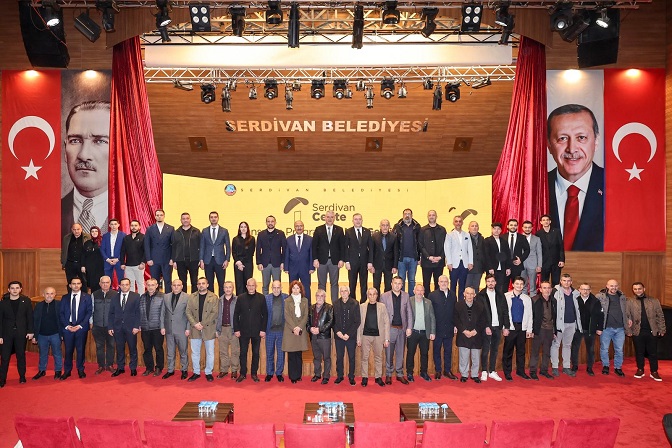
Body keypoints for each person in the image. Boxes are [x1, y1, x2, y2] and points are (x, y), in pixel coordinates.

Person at [547, 103, 604, 251]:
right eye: (562, 138)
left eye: (581, 137)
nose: (572, 149)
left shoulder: (617, 188)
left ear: (596, 141)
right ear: (549, 145)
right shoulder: (532, 190)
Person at [61, 100, 111, 238]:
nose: (83, 155)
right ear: (65, 150)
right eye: (75, 141)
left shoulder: (137, 211)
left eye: (100, 141)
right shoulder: (49, 213)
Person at [626, 282, 666, 381]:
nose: (637, 291)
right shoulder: (629, 301)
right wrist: (628, 330)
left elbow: (660, 315)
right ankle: (640, 369)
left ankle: (654, 371)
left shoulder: (654, 301)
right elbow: (627, 316)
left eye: (639, 288)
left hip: (652, 331)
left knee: (653, 353)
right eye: (635, 289)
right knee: (639, 352)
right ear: (633, 290)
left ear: (644, 289)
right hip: (637, 331)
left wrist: (662, 329)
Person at [233, 278, 268, 383]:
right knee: (243, 353)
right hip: (243, 331)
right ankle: (242, 373)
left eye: (253, 285)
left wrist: (263, 329)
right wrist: (236, 329)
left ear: (256, 286)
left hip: (257, 331)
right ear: (246, 286)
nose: (251, 287)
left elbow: (265, 315)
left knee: (256, 353)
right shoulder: (240, 298)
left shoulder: (261, 298)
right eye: (249, 285)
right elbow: (236, 314)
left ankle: (254, 373)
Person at [0, 281, 34, 387]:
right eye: (12, 288)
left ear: (20, 289)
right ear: (8, 290)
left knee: (21, 355)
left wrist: (30, 331)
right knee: (4, 357)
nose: (15, 290)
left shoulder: (26, 301)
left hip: (21, 333)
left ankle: (22, 376)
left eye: (17, 288)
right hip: (6, 334)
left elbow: (30, 317)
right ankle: (2, 379)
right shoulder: (3, 303)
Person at [380, 276, 412, 385]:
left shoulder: (406, 296)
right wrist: (384, 331)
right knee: (389, 353)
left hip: (402, 329)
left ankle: (399, 374)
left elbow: (409, 313)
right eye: (395, 283)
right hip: (390, 330)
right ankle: (388, 374)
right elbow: (382, 315)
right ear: (391, 284)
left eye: (399, 283)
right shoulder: (384, 296)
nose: (397, 285)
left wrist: (409, 327)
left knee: (400, 353)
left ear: (402, 285)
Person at [477, 274, 509, 382]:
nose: (490, 283)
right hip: (487, 327)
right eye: (488, 281)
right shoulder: (481, 295)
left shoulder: (500, 295)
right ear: (486, 282)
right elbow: (480, 313)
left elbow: (505, 311)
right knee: (485, 350)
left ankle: (492, 371)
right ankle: (484, 371)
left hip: (498, 326)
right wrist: (486, 326)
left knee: (495, 350)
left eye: (492, 281)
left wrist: (506, 326)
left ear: (495, 282)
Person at [186, 277, 219, 382]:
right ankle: (196, 372)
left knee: (210, 352)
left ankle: (208, 372)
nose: (201, 285)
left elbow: (214, 313)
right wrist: (195, 324)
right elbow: (188, 312)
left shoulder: (214, 297)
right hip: (195, 328)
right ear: (197, 285)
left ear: (207, 285)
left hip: (208, 328)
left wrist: (202, 323)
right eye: (199, 283)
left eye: (203, 283)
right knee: (195, 352)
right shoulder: (192, 297)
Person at [59, 277, 92, 380]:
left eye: (78, 283)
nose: (76, 285)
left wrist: (80, 325)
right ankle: (67, 371)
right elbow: (61, 313)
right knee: (68, 351)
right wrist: (67, 326)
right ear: (70, 285)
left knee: (80, 350)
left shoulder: (87, 297)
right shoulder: (65, 297)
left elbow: (89, 312)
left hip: (81, 328)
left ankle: (80, 369)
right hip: (68, 328)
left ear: (81, 285)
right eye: (74, 284)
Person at [550, 273, 582, 377]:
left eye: (568, 281)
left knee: (567, 345)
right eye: (564, 280)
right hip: (559, 324)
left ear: (571, 282)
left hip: (572, 323)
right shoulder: (555, 292)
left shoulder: (576, 293)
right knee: (555, 345)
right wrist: (553, 326)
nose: (566, 283)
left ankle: (566, 367)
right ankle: (555, 367)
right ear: (561, 281)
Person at [357, 288, 390, 387]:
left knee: (378, 357)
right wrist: (358, 338)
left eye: (374, 294)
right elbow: (359, 323)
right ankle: (364, 377)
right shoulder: (362, 306)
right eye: (370, 294)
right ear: (367, 296)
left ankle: (378, 377)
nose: (372, 296)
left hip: (378, 336)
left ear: (377, 295)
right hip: (365, 335)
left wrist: (386, 338)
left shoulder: (382, 306)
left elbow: (386, 322)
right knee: (364, 357)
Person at [502, 277, 533, 381]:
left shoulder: (527, 298)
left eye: (521, 284)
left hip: (522, 327)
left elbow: (530, 315)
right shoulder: (506, 296)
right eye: (517, 283)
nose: (519, 286)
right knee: (508, 351)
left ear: (523, 285)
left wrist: (529, 330)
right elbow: (503, 314)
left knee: (521, 351)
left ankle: (520, 371)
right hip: (510, 327)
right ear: (513, 285)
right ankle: (507, 372)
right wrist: (505, 327)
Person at [109, 278, 141, 377]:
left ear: (130, 285)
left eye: (126, 284)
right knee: (119, 349)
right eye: (122, 285)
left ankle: (133, 368)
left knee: (132, 349)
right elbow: (111, 313)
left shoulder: (136, 296)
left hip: (131, 328)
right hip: (118, 328)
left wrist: (136, 326)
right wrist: (110, 327)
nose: (124, 286)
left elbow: (138, 312)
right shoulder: (114, 297)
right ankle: (120, 368)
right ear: (119, 286)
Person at [427, 275, 458, 381]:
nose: (444, 283)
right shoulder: (432, 295)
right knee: (436, 350)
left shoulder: (453, 295)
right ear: (438, 282)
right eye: (441, 281)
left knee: (448, 351)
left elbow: (455, 311)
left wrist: (455, 325)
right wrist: (431, 329)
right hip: (437, 329)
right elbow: (430, 313)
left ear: (448, 282)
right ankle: (438, 370)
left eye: (445, 281)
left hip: (449, 327)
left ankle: (447, 371)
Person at [596, 279, 628, 377]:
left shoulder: (622, 297)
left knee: (619, 350)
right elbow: (596, 312)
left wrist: (629, 319)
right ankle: (605, 366)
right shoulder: (600, 297)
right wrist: (598, 326)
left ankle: (618, 368)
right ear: (607, 286)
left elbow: (627, 310)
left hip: (620, 328)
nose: (614, 288)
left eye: (615, 286)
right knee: (604, 348)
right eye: (611, 286)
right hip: (606, 328)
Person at [454, 287, 486, 383]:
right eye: (467, 293)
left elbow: (483, 320)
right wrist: (464, 331)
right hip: (463, 335)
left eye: (472, 294)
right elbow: (456, 319)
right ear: (464, 294)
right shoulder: (458, 305)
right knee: (464, 357)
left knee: (476, 357)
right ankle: (464, 374)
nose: (469, 296)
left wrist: (475, 331)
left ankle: (474, 375)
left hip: (476, 335)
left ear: (474, 295)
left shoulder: (480, 306)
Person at [571, 283, 603, 376]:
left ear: (590, 290)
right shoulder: (575, 300)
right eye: (583, 289)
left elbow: (600, 315)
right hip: (577, 329)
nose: (585, 291)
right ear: (579, 290)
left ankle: (589, 368)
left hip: (590, 329)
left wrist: (599, 328)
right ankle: (574, 366)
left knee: (590, 349)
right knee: (575, 348)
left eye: (587, 289)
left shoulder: (595, 301)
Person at [312, 210, 345, 302]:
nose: (330, 219)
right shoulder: (318, 229)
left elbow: (342, 246)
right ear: (325, 218)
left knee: (334, 284)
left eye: (332, 217)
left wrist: (342, 259)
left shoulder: (339, 230)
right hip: (321, 261)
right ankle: (322, 304)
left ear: (334, 218)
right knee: (321, 284)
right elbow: (314, 246)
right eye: (328, 217)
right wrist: (315, 259)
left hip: (335, 261)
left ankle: (335, 305)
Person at [31, 287, 63, 381]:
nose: (49, 295)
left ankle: (58, 371)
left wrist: (62, 334)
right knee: (42, 354)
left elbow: (63, 320)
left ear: (55, 294)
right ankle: (42, 370)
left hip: (55, 334)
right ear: (43, 295)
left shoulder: (59, 305)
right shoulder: (38, 306)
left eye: (51, 293)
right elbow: (35, 321)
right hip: (41, 335)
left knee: (57, 353)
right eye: (47, 293)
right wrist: (35, 335)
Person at [161, 279, 190, 380]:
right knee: (170, 352)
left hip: (182, 329)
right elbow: (162, 313)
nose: (176, 287)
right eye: (174, 285)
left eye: (178, 285)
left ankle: (184, 370)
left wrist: (188, 328)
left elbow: (189, 314)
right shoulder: (166, 296)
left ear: (182, 286)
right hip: (169, 329)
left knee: (183, 352)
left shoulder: (187, 297)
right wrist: (162, 326)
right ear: (171, 286)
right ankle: (170, 370)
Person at [406, 284, 436, 382]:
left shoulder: (428, 302)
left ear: (424, 292)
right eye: (418, 290)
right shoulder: (409, 301)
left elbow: (432, 317)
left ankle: (424, 372)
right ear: (414, 291)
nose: (419, 292)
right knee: (410, 353)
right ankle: (409, 373)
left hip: (425, 333)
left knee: (424, 354)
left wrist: (432, 332)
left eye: (421, 290)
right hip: (413, 332)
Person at [333, 285, 360, 386]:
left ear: (349, 292)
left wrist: (348, 334)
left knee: (352, 357)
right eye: (342, 291)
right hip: (339, 336)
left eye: (345, 291)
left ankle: (351, 376)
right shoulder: (335, 303)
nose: (344, 293)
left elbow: (357, 321)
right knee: (339, 357)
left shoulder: (355, 303)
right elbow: (332, 320)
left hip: (351, 336)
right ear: (340, 293)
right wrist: (337, 332)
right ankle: (340, 376)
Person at [283, 281, 309, 383]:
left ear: (301, 290)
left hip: (301, 330)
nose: (295, 290)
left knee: (299, 354)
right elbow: (287, 316)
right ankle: (293, 377)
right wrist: (294, 328)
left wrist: (299, 327)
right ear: (291, 289)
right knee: (291, 355)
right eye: (293, 288)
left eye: (297, 288)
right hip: (290, 330)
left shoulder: (305, 300)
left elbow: (306, 315)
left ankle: (298, 375)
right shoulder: (287, 300)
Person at [529, 281, 556, 380]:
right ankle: (533, 371)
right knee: (535, 352)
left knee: (547, 352)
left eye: (549, 288)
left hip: (550, 330)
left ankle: (544, 370)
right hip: (539, 329)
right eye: (544, 288)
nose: (547, 290)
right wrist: (531, 330)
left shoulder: (554, 300)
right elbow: (531, 316)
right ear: (540, 289)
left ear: (551, 289)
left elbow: (555, 317)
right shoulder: (534, 300)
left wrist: (555, 331)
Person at [200, 211, 231, 297]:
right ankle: (211, 301)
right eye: (211, 217)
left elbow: (228, 246)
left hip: (220, 260)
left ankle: (221, 301)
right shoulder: (205, 231)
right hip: (208, 260)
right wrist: (201, 260)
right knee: (209, 283)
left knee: (221, 283)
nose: (213, 219)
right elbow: (202, 246)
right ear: (209, 219)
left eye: (215, 217)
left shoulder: (224, 231)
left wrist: (227, 259)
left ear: (218, 218)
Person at [91, 276, 117, 375]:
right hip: (97, 326)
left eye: (107, 282)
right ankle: (101, 366)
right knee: (99, 347)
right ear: (100, 283)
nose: (105, 284)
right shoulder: (94, 294)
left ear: (110, 283)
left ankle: (110, 365)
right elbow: (91, 310)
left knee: (111, 346)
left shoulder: (115, 294)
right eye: (103, 282)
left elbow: (117, 311)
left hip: (111, 326)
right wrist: (91, 322)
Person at [345, 213, 374, 303]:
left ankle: (363, 302)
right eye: (356, 219)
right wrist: (347, 261)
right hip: (352, 262)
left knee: (364, 284)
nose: (358, 221)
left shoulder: (367, 231)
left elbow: (371, 248)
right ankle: (353, 302)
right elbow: (345, 248)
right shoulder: (348, 231)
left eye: (359, 219)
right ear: (352, 221)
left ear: (362, 220)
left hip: (364, 262)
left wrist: (370, 262)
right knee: (352, 284)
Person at [139, 278, 165, 377]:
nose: (150, 287)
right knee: (147, 349)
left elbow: (164, 313)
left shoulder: (162, 296)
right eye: (149, 285)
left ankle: (159, 368)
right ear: (146, 285)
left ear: (157, 285)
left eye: (152, 285)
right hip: (145, 328)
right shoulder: (142, 297)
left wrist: (163, 327)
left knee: (158, 349)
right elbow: (140, 312)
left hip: (157, 327)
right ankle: (149, 368)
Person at [256, 215, 287, 295]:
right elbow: (258, 249)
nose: (270, 223)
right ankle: (265, 302)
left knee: (277, 285)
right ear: (266, 223)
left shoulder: (280, 233)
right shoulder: (261, 234)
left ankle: (278, 302)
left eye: (272, 221)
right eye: (268, 221)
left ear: (275, 222)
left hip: (277, 264)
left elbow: (284, 249)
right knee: (265, 286)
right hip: (264, 264)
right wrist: (259, 262)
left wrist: (283, 262)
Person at [171, 212, 201, 294]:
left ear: (190, 220)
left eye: (187, 218)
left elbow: (201, 246)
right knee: (182, 282)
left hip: (194, 260)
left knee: (194, 281)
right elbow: (173, 247)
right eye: (183, 219)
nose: (185, 220)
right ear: (181, 220)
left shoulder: (196, 231)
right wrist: (174, 260)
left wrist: (200, 259)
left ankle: (194, 299)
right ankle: (183, 299)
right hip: (180, 260)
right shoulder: (176, 232)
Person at [284, 220, 313, 302]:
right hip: (292, 268)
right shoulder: (289, 239)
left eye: (301, 226)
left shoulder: (310, 239)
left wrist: (311, 267)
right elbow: (287, 254)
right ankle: (292, 306)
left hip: (305, 268)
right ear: (294, 228)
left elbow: (311, 254)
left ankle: (307, 307)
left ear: (303, 227)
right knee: (292, 288)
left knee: (306, 288)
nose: (299, 228)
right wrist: (286, 267)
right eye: (297, 226)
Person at [308, 289, 333, 385]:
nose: (320, 298)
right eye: (318, 295)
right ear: (315, 297)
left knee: (326, 358)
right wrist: (310, 328)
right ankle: (317, 374)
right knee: (316, 357)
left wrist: (320, 329)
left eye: (322, 296)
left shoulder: (329, 307)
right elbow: (307, 321)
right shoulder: (311, 308)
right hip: (313, 336)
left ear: (325, 297)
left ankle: (326, 376)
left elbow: (331, 322)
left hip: (324, 337)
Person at [144, 209, 174, 290]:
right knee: (154, 281)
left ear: (164, 216)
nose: (159, 217)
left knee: (168, 281)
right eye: (157, 215)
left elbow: (173, 245)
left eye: (161, 215)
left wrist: (172, 258)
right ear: (155, 217)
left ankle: (168, 297)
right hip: (154, 260)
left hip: (167, 259)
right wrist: (148, 259)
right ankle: (155, 297)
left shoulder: (170, 228)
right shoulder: (150, 229)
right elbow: (147, 245)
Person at [444, 215, 472, 301]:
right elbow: (447, 249)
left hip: (464, 263)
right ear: (453, 223)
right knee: (453, 285)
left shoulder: (467, 234)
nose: (458, 223)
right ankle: (452, 302)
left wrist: (470, 262)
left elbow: (470, 249)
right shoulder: (449, 235)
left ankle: (461, 303)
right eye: (456, 221)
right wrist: (449, 262)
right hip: (454, 264)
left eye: (460, 221)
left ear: (462, 223)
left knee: (462, 285)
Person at [265, 280, 288, 382]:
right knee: (269, 353)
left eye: (278, 287)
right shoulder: (266, 298)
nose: (276, 290)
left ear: (281, 288)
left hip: (282, 331)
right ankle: (269, 373)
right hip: (269, 330)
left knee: (281, 354)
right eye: (274, 287)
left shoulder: (286, 298)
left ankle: (279, 373)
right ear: (271, 288)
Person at [419, 210, 447, 294]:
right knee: (426, 284)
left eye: (433, 215)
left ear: (436, 216)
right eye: (430, 215)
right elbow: (420, 245)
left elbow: (446, 245)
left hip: (439, 262)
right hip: (426, 262)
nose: (431, 217)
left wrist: (441, 257)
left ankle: (437, 300)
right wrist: (428, 257)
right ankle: (427, 300)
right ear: (427, 217)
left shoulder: (442, 230)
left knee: (438, 284)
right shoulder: (422, 230)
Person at [393, 208, 421, 293]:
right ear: (403, 215)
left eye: (409, 214)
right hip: (401, 258)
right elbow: (393, 242)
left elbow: (420, 243)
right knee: (401, 280)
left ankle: (411, 298)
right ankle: (401, 298)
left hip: (413, 258)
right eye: (405, 214)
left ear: (412, 215)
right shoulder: (397, 227)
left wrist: (419, 257)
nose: (407, 215)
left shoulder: (417, 227)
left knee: (412, 280)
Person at [216, 281, 239, 380]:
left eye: (230, 287)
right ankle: (224, 370)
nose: (228, 289)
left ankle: (234, 370)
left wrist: (239, 329)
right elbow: (216, 316)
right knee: (223, 351)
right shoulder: (219, 301)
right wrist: (217, 329)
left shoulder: (238, 300)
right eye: (226, 287)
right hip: (222, 329)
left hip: (234, 329)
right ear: (223, 288)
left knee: (235, 351)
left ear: (233, 288)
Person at [371, 219, 399, 294]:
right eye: (383, 225)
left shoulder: (394, 237)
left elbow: (396, 252)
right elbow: (371, 252)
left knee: (388, 286)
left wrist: (395, 266)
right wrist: (371, 265)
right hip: (377, 265)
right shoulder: (374, 236)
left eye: (387, 225)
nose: (385, 227)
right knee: (376, 285)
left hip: (389, 265)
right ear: (380, 226)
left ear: (389, 226)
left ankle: (386, 300)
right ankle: (377, 300)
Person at [483, 223, 511, 295]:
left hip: (502, 268)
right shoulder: (487, 240)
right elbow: (486, 255)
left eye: (498, 229)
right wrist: (489, 267)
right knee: (491, 285)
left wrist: (508, 267)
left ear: (501, 230)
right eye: (494, 229)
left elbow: (507, 254)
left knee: (501, 286)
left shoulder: (504, 241)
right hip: (492, 268)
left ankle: (500, 300)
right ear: (492, 230)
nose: (496, 230)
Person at [536, 214, 564, 286]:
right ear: (541, 222)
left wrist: (562, 260)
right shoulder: (538, 233)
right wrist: (538, 264)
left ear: (550, 221)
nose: (546, 221)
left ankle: (555, 293)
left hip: (556, 262)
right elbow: (537, 250)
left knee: (556, 282)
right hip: (544, 262)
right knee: (544, 282)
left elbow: (561, 247)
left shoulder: (557, 232)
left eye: (547, 220)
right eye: (544, 220)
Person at [61, 223, 90, 290]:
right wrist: (63, 262)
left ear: (81, 229)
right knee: (70, 282)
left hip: (82, 264)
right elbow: (64, 251)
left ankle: (83, 296)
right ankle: (71, 295)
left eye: (78, 229)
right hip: (70, 264)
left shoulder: (87, 237)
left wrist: (86, 264)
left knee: (84, 282)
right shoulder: (66, 238)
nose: (76, 231)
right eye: (74, 229)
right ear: (71, 230)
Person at [119, 220, 146, 294]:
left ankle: (141, 298)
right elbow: (122, 251)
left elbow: (146, 251)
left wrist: (143, 262)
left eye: (135, 225)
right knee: (130, 284)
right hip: (128, 266)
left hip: (139, 265)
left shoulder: (143, 237)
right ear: (130, 227)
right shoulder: (126, 238)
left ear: (139, 227)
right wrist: (122, 263)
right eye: (132, 225)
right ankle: (132, 298)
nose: (134, 227)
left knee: (140, 283)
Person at [232, 221, 256, 297]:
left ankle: (248, 300)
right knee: (239, 284)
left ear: (247, 228)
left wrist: (242, 263)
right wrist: (238, 262)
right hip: (237, 264)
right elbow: (234, 252)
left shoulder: (252, 239)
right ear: (239, 228)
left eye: (245, 227)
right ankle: (239, 300)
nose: (243, 228)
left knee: (248, 283)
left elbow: (251, 252)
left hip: (248, 263)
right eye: (241, 227)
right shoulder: (235, 239)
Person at [505, 219, 530, 289]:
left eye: (515, 225)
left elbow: (527, 250)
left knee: (517, 286)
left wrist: (521, 260)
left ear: (517, 227)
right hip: (505, 265)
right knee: (504, 286)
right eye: (511, 225)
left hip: (517, 265)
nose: (513, 227)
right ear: (507, 226)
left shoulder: (522, 237)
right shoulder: (502, 237)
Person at [100, 219, 125, 286]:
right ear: (109, 225)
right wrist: (107, 259)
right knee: (107, 280)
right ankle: (109, 292)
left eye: (115, 224)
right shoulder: (105, 236)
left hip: (119, 261)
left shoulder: (123, 235)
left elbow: (124, 249)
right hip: (108, 261)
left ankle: (121, 292)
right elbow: (102, 249)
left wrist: (118, 259)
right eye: (112, 224)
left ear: (118, 225)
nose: (113, 226)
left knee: (121, 280)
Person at [521, 221, 542, 296]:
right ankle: (524, 298)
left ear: (532, 228)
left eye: (529, 227)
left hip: (533, 264)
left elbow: (539, 252)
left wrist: (539, 265)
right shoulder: (519, 238)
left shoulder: (537, 239)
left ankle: (533, 299)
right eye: (525, 227)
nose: (527, 229)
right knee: (523, 283)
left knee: (533, 284)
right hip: (521, 264)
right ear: (522, 228)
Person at [82, 225, 104, 293]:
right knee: (92, 284)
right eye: (92, 231)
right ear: (90, 233)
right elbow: (83, 255)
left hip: (100, 267)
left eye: (96, 231)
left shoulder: (103, 242)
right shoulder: (87, 243)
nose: (94, 233)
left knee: (100, 283)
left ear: (99, 232)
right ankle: (93, 297)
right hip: (90, 267)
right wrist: (83, 265)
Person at [465, 221, 485, 290]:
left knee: (476, 288)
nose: (474, 228)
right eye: (472, 226)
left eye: (476, 226)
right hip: (468, 268)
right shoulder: (465, 238)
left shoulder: (482, 238)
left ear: (478, 228)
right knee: (467, 288)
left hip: (479, 268)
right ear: (468, 228)